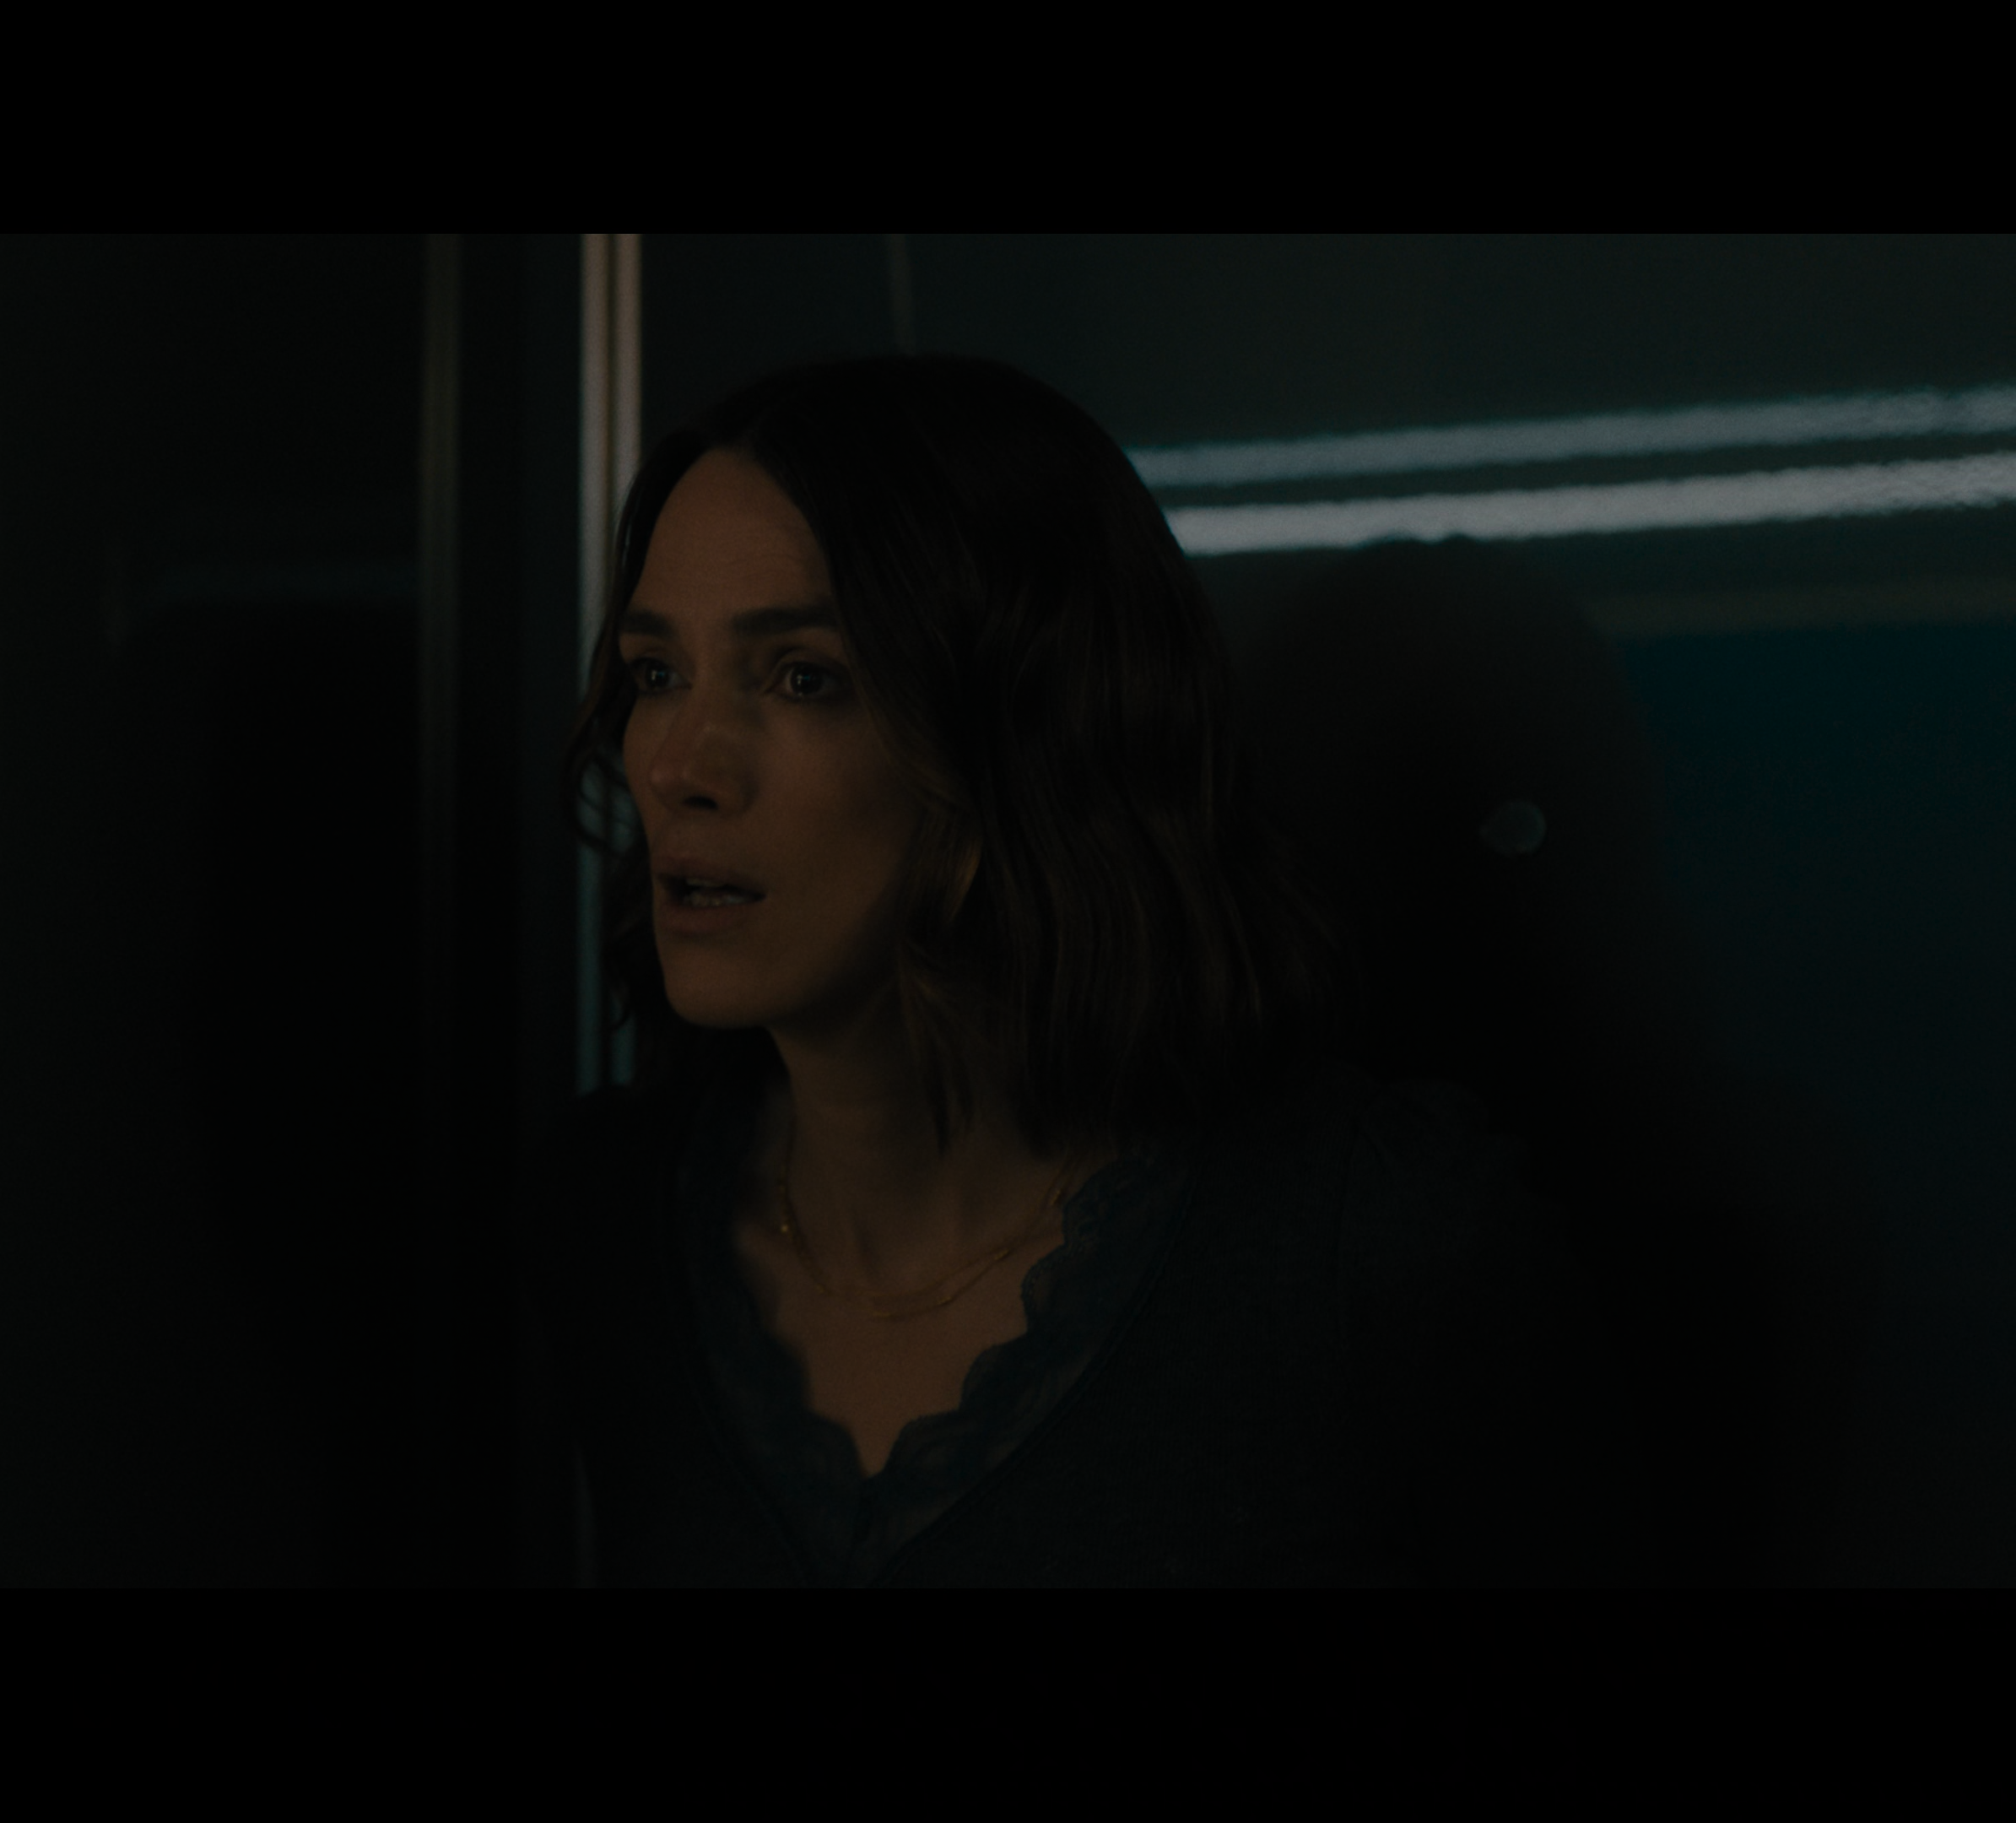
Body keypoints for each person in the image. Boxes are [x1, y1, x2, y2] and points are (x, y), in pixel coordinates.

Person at [516, 354, 1658, 1586]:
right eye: (656, 674)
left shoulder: (1371, 1242)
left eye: (804, 677)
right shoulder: (610, 1229)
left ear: (1024, 729)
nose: (678, 766)